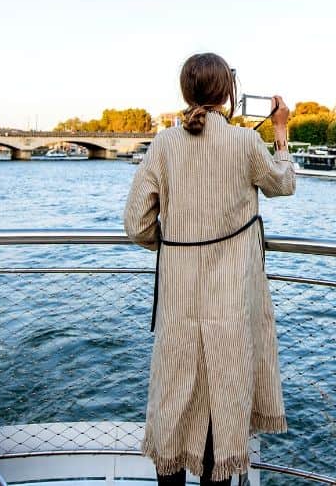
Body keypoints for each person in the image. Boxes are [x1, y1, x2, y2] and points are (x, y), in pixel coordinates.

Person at [124, 52, 296, 485]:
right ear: (228, 93)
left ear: (187, 92)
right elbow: (284, 184)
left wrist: (175, 243)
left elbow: (136, 224)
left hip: (178, 302)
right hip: (230, 301)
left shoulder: (164, 144)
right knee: (224, 400)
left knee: (175, 399)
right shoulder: (244, 143)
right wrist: (280, 130)